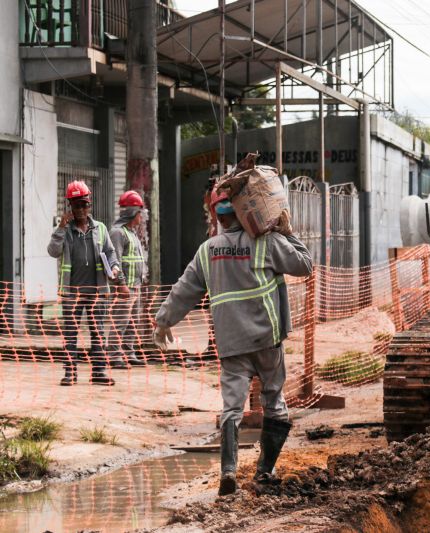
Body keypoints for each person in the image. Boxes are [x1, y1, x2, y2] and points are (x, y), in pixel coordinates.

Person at [153, 188, 312, 496]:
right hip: (267, 339)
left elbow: (185, 289)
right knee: (274, 401)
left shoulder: (208, 250)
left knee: (231, 407)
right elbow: (304, 265)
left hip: (231, 343)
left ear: (217, 216)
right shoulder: (267, 242)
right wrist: (288, 232)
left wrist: (163, 321)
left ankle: (229, 471)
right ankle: (265, 471)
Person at [47, 180, 129, 386]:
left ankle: (99, 372)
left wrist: (115, 269)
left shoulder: (100, 228)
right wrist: (60, 227)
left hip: (97, 291)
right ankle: (70, 373)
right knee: (71, 333)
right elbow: (53, 251)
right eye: (76, 205)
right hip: (72, 292)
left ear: (89, 205)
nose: (81, 209)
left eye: (84, 204)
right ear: (70, 207)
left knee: (98, 331)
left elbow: (110, 253)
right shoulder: (65, 231)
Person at [107, 191, 148, 368]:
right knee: (120, 321)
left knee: (132, 322)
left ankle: (128, 352)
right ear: (133, 213)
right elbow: (114, 259)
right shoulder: (118, 233)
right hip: (125, 288)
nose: (142, 216)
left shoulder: (132, 233)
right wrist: (121, 284)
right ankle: (114, 355)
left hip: (135, 286)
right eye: (140, 212)